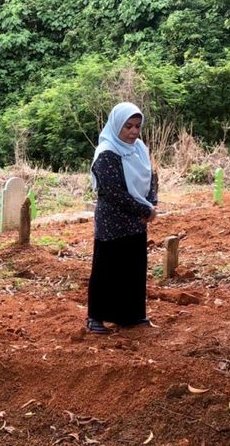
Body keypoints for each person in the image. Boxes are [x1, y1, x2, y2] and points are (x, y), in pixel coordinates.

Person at [87, 102, 157, 334]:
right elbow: (113, 192)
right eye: (128, 126)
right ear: (117, 125)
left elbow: (151, 177)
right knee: (107, 268)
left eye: (137, 126)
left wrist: (152, 203)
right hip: (113, 220)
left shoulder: (139, 149)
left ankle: (131, 316)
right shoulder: (107, 153)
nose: (134, 132)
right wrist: (143, 210)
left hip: (136, 220)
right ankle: (96, 318)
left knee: (133, 268)